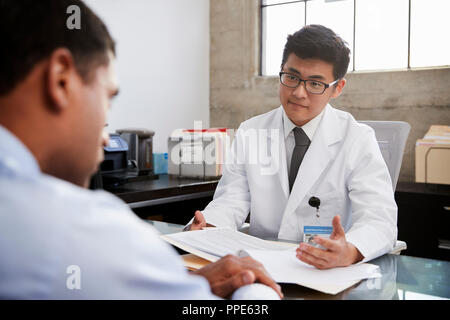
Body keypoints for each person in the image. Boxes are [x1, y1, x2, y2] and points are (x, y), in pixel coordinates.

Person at [0, 0, 282, 299]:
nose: (106, 138)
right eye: (107, 98)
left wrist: (176, 283)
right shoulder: (75, 227)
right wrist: (254, 286)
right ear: (60, 80)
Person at [187, 25, 398, 270]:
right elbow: (231, 201)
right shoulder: (250, 131)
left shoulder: (357, 138)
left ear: (337, 88)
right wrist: (208, 225)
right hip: (260, 265)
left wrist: (350, 251)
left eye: (315, 84)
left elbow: (380, 221)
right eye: (291, 77)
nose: (298, 92)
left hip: (324, 270)